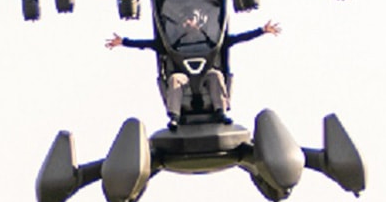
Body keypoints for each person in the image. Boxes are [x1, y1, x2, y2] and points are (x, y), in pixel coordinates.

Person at [106, 19, 281, 130]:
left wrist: (261, 31)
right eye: (185, 22)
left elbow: (240, 38)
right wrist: (124, 42)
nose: (188, 24)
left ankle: (221, 111)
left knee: (216, 76)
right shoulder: (171, 43)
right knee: (175, 79)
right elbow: (147, 44)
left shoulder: (213, 40)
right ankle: (174, 116)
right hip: (185, 78)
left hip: (206, 75)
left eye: (191, 20)